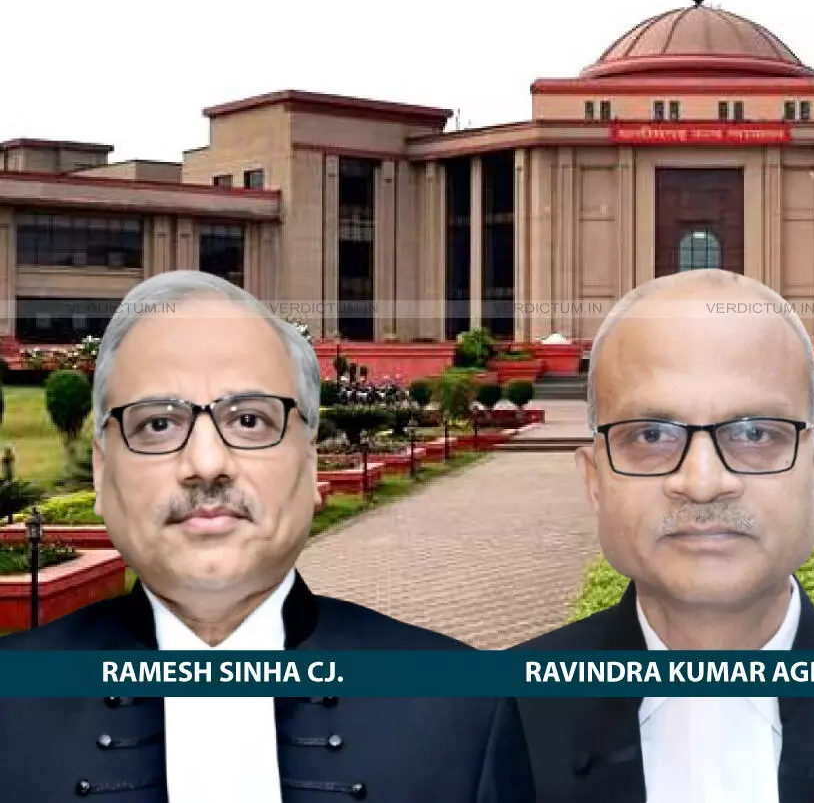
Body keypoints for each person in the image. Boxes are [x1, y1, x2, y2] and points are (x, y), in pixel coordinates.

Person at [0, 271, 531, 802]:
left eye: (250, 420)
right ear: (101, 471)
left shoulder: (462, 708)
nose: (206, 463)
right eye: (158, 424)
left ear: (310, 458)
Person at [513, 269, 814, 803]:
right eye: (652, 435)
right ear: (595, 483)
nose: (703, 483)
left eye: (754, 433)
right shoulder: (506, 716)